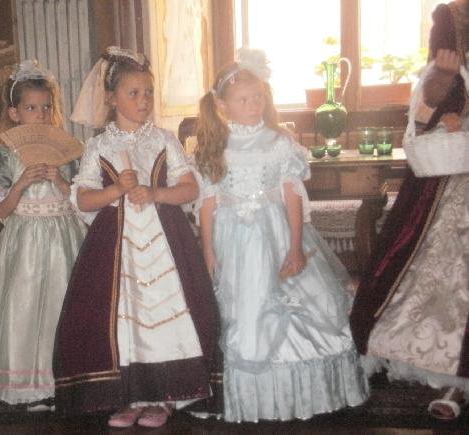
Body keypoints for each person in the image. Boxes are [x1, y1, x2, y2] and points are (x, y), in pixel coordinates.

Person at [195, 48, 369, 422]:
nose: (253, 105)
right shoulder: (215, 147)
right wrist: (207, 249)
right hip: (233, 241)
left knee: (294, 300)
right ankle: (253, 399)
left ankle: (305, 393)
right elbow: (208, 203)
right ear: (222, 105)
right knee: (244, 308)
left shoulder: (279, 143)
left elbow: (292, 196)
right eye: (243, 100)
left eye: (258, 97)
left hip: (275, 234)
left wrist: (295, 247)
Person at [54, 46, 218, 429]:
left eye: (148, 92)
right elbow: (82, 198)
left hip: (165, 244)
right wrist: (115, 191)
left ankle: (163, 395)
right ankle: (130, 394)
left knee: (163, 313)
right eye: (133, 93)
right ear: (112, 98)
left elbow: (189, 187)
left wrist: (156, 192)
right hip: (116, 247)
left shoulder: (164, 139)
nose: (143, 100)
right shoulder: (99, 146)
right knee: (123, 318)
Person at [350, 0, 469, 421]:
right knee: (442, 283)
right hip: (447, 185)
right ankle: (451, 379)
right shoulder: (449, 24)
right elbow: (422, 117)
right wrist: (444, 80)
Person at [0, 60, 86, 412]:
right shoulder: (6, 153)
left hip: (64, 238)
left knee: (62, 306)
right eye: (32, 108)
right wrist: (20, 184)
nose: (41, 114)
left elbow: (82, 201)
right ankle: (29, 385)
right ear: (15, 113)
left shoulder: (68, 150)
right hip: (24, 242)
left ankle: (64, 381)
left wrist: (61, 181)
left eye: (46, 107)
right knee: (24, 309)